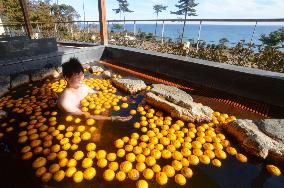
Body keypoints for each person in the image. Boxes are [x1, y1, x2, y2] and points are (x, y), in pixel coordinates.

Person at [58, 58, 132, 122]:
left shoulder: (83, 86)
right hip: (77, 121)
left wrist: (123, 98)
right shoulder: (65, 101)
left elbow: (97, 93)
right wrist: (112, 118)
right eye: (78, 77)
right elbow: (85, 116)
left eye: (82, 75)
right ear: (67, 78)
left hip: (92, 111)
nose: (81, 79)